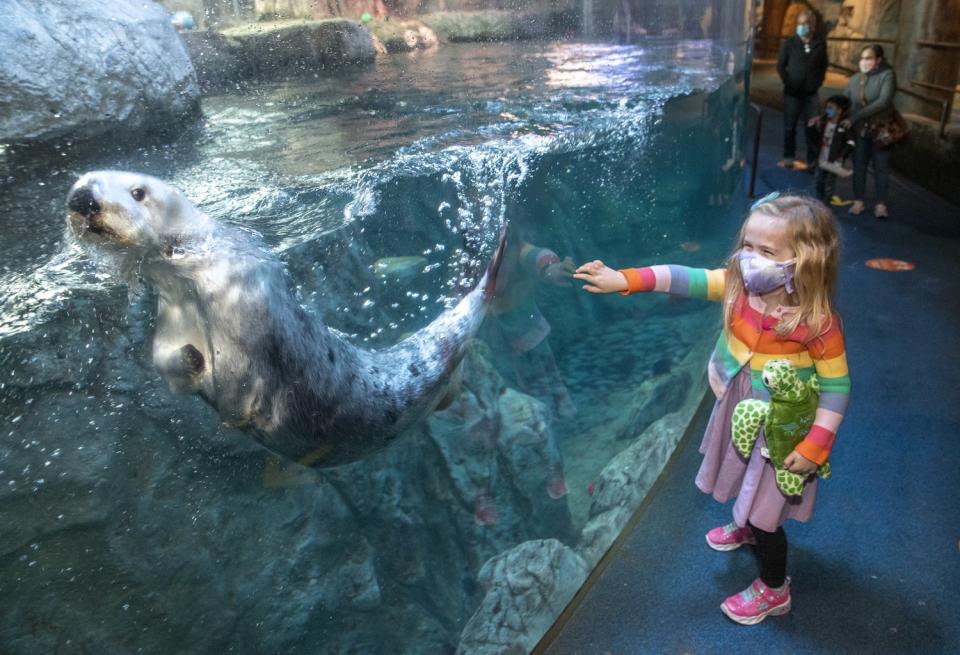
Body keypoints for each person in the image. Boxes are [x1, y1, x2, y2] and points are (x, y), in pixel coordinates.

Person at [573, 192, 850, 625]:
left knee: (769, 514)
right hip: (739, 404)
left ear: (804, 260)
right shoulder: (739, 288)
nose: (748, 259)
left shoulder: (817, 322)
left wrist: (816, 445)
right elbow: (682, 277)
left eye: (766, 252)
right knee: (740, 471)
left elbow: (837, 386)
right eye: (746, 246)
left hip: (782, 426)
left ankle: (773, 587)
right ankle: (747, 520)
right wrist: (624, 278)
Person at [843, 44, 897, 219]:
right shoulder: (854, 80)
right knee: (859, 165)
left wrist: (856, 116)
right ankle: (859, 200)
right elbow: (844, 102)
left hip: (880, 130)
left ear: (878, 60)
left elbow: (884, 101)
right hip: (860, 131)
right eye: (863, 58)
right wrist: (828, 115)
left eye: (869, 58)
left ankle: (881, 204)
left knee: (881, 167)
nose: (865, 62)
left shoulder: (887, 75)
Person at [776, 10, 828, 170]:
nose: (801, 27)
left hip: (811, 94)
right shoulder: (790, 43)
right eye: (799, 23)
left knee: (812, 128)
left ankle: (812, 160)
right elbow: (780, 65)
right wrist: (788, 81)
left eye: (804, 23)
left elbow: (823, 65)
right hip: (792, 93)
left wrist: (817, 83)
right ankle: (788, 156)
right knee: (790, 127)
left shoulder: (819, 44)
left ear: (812, 26)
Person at [810, 94, 854, 203]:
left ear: (839, 111)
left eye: (830, 108)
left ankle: (825, 203)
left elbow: (851, 143)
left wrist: (842, 156)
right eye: (826, 107)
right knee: (819, 180)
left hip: (834, 160)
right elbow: (815, 138)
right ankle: (819, 200)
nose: (827, 110)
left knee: (829, 183)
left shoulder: (843, 126)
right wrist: (812, 126)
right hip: (822, 158)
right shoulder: (824, 122)